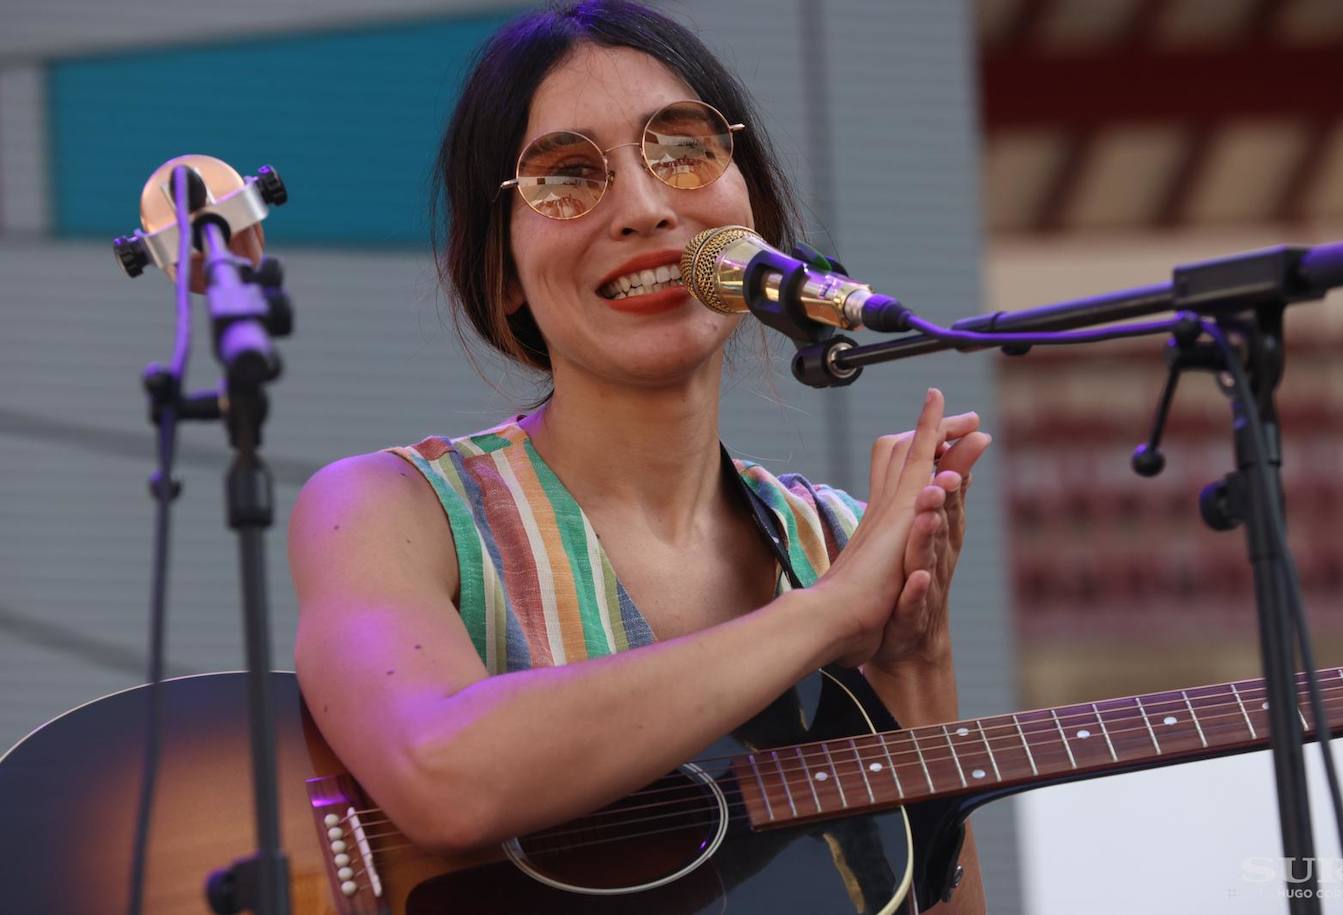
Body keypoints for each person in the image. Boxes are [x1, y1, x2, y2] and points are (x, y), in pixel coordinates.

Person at [288, 1, 991, 911]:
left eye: (684, 149)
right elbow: (442, 773)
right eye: (568, 176)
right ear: (501, 274)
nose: (647, 208)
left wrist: (915, 660)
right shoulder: (387, 508)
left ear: (755, 222)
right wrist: (830, 614)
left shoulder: (836, 540)